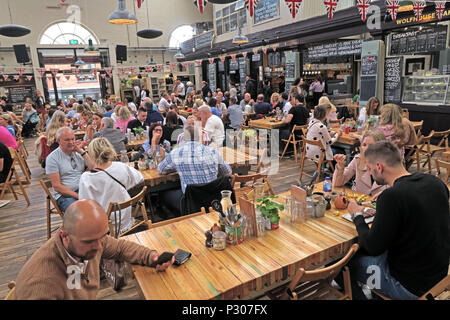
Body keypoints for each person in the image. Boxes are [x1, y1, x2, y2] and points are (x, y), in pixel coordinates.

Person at [343, 141, 449, 300]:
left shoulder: (392, 196)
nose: (371, 174)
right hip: (439, 276)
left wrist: (357, 215)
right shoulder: (436, 182)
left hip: (411, 287)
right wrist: (386, 206)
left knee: (343, 265)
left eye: (371, 169)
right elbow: (416, 213)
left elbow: (372, 247)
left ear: (379, 167)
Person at [14, 199, 173, 299]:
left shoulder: (84, 245)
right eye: (89, 241)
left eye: (102, 236)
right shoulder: (41, 285)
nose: (98, 247)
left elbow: (120, 248)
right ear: (64, 236)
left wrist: (151, 257)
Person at [158, 126, 232, 215]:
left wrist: (177, 166)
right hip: (214, 199)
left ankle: (178, 218)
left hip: (192, 202)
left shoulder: (176, 153)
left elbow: (161, 170)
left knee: (162, 194)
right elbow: (227, 172)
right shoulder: (213, 151)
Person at [79, 138, 144, 234]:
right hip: (126, 220)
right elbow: (140, 178)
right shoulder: (120, 166)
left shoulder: (87, 178)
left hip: (105, 226)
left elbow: (84, 207)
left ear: (91, 154)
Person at [46, 127, 95, 212]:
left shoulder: (78, 152)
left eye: (73, 139)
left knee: (103, 200)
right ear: (58, 141)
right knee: (79, 211)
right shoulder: (52, 158)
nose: (71, 142)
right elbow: (57, 186)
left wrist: (82, 152)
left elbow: (93, 168)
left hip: (83, 189)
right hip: (65, 195)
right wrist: (79, 196)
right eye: (67, 140)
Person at [333, 130, 388, 196]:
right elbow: (337, 184)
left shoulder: (390, 164)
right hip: (359, 202)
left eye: (371, 145)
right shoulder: (358, 159)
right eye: (364, 145)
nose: (366, 149)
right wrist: (340, 166)